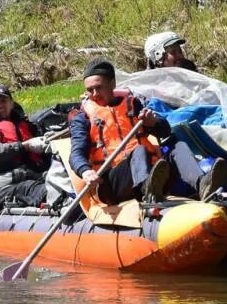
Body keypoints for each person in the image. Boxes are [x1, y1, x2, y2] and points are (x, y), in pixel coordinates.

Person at [68, 60, 203, 204]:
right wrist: (85, 171)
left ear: (112, 84)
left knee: (179, 147)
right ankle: (147, 191)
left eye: (99, 87)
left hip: (154, 173)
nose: (94, 94)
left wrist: (153, 123)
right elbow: (76, 153)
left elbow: (165, 130)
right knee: (139, 150)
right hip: (111, 184)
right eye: (90, 90)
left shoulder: (134, 105)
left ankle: (203, 185)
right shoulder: (82, 118)